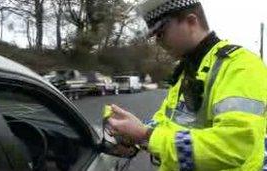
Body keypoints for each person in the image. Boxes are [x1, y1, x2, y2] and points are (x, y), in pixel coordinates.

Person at [106, 0, 267, 170]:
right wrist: (135, 138)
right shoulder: (186, 70)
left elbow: (234, 147)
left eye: (161, 33)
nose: (158, 43)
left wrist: (145, 136)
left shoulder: (240, 66)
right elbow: (166, 122)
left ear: (191, 22)